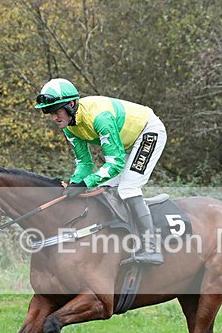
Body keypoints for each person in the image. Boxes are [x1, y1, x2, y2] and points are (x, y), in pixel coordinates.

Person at [34, 78, 166, 265]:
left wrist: (86, 183)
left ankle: (151, 248)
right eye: (49, 112)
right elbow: (85, 163)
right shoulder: (70, 127)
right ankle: (125, 243)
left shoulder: (99, 118)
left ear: (71, 105)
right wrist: (75, 182)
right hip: (127, 143)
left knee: (128, 188)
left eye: (57, 111)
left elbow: (115, 163)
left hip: (148, 132)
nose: (54, 117)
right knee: (106, 189)